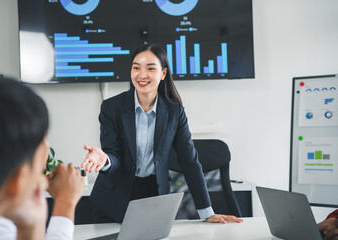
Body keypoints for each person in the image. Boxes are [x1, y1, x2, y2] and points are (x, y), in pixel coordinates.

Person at [81, 44, 243, 224]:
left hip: (154, 196)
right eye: (136, 68)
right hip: (113, 199)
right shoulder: (111, 108)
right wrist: (105, 159)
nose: (142, 75)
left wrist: (207, 212)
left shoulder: (174, 112)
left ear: (163, 73)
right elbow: (114, 155)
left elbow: (189, 162)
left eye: (150, 68)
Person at [0, 74, 84, 240]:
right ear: (17, 180)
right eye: (39, 170)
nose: (42, 180)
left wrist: (31, 225)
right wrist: (65, 202)